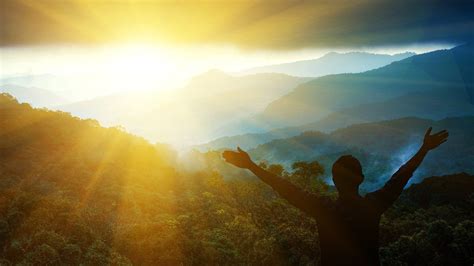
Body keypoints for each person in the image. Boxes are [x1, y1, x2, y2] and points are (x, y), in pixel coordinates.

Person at [222, 127, 448, 266]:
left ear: (334, 180)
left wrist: (251, 165)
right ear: (360, 178)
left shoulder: (323, 209)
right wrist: (424, 149)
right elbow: (401, 178)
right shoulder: (372, 207)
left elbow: (284, 187)